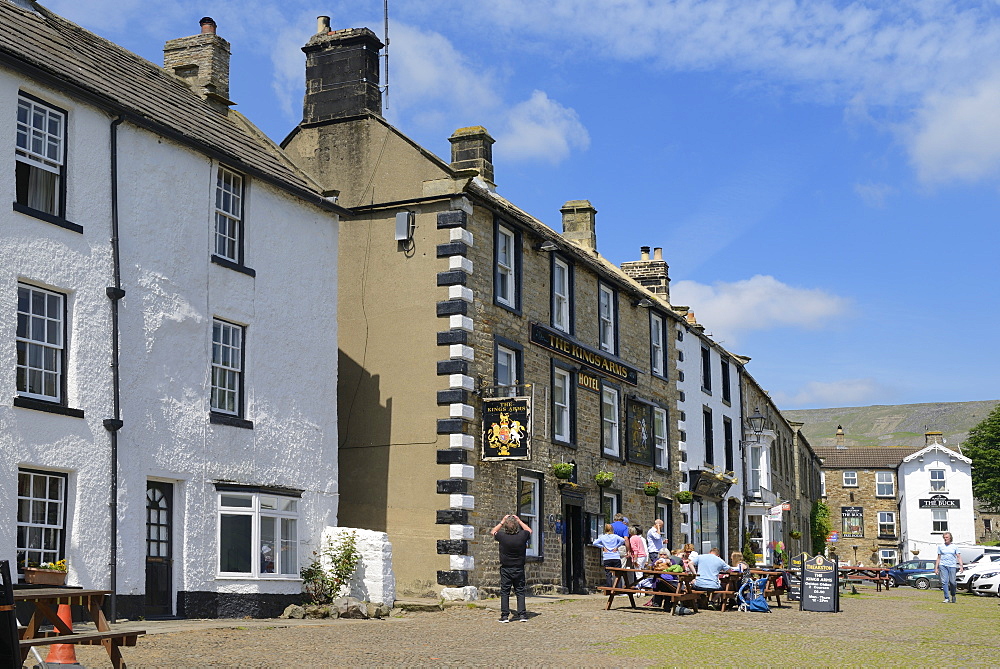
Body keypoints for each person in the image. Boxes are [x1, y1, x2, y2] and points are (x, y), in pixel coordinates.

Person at [490, 514, 532, 622]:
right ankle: (522, 615)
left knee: (505, 592)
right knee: (520, 591)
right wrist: (519, 520)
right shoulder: (522, 536)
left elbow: (493, 531)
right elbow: (529, 530)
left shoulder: (502, 537)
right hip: (519, 568)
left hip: (506, 568)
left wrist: (502, 521)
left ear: (506, 528)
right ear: (516, 526)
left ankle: (505, 616)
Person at [935, 532, 964, 604]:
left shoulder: (954, 547)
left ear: (950, 538)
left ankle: (953, 595)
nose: (945, 539)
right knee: (944, 582)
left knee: (952, 582)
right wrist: (936, 568)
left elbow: (959, 557)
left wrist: (961, 566)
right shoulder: (940, 547)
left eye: (947, 537)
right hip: (943, 565)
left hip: (952, 566)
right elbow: (938, 558)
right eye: (944, 537)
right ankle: (946, 598)